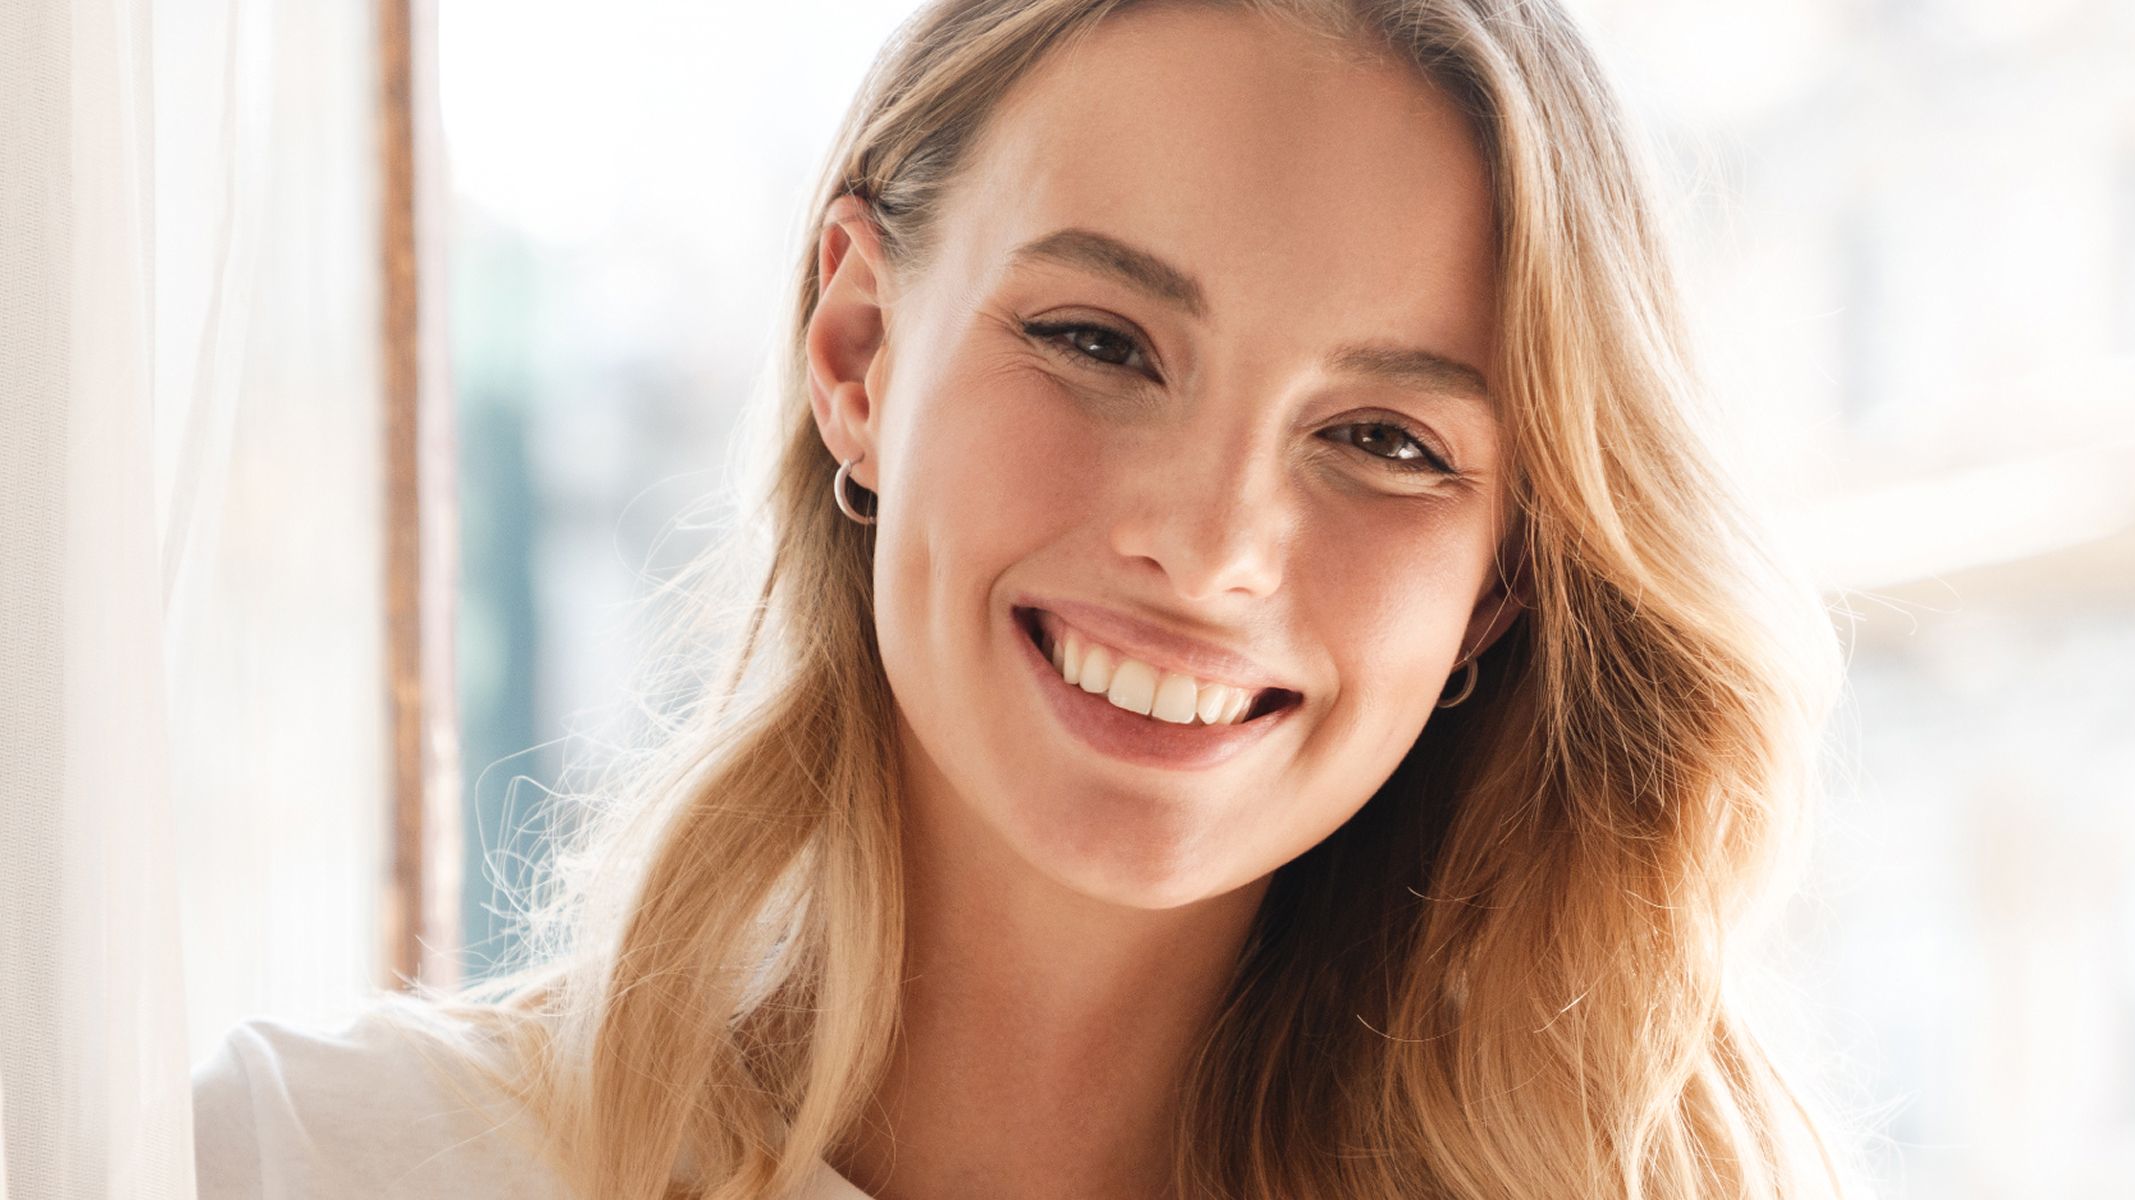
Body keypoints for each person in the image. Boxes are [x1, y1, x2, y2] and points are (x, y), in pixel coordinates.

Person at [192, 0, 1865, 1197]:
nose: (1212, 548)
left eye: (1383, 439)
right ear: (858, 351)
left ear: (1500, 586)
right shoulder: (299, 1164)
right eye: (1097, 342)